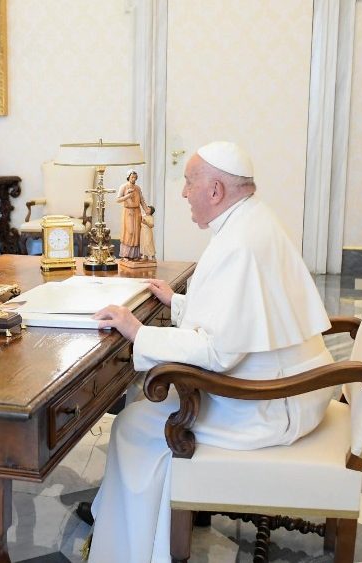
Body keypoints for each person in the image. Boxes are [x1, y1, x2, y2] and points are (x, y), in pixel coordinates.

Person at [81, 142, 335, 562]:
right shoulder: (253, 220)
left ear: (216, 190)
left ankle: (131, 549)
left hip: (268, 404)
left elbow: (218, 352)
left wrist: (137, 330)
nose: (183, 193)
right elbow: (244, 315)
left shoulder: (239, 243)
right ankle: (122, 522)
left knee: (131, 424)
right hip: (283, 383)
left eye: (189, 182)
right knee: (140, 410)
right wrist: (178, 304)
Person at [116, 170, 149, 260]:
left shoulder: (137, 188)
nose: (133, 179)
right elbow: (118, 199)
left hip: (137, 211)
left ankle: (135, 255)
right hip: (128, 212)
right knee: (129, 232)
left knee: (136, 232)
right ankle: (125, 254)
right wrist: (127, 196)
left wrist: (146, 209)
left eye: (135, 177)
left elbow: (142, 200)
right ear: (128, 177)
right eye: (132, 177)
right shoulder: (124, 187)